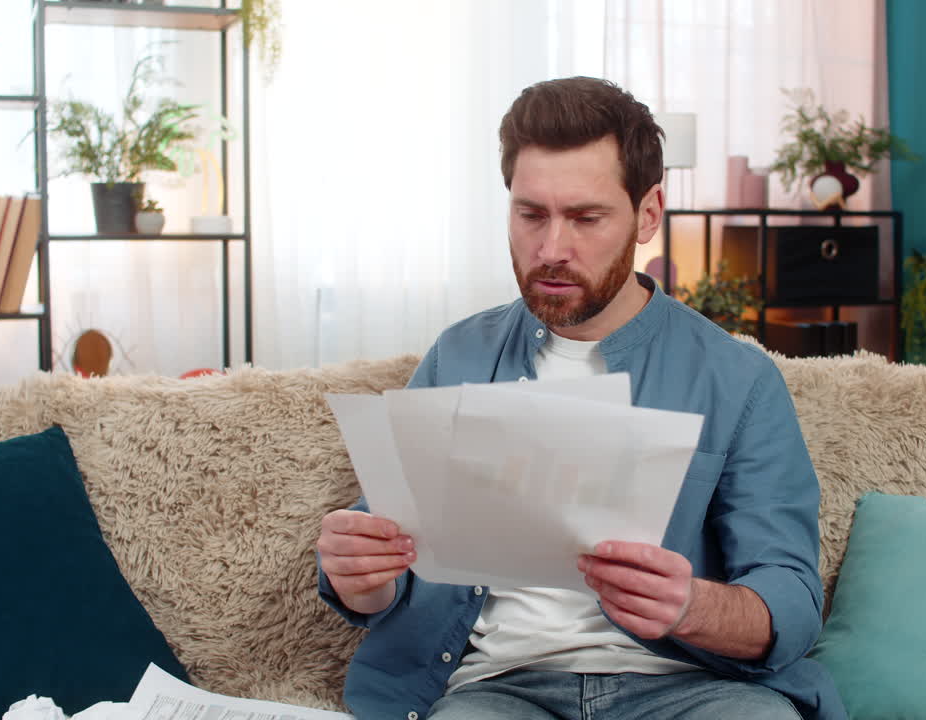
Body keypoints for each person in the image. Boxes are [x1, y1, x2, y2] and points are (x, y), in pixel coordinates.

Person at [317, 76, 844, 720]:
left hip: (690, 688)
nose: (551, 250)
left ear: (648, 213)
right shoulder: (458, 355)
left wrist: (691, 606)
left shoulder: (738, 378)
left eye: (586, 218)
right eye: (530, 214)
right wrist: (360, 576)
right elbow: (385, 567)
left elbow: (790, 600)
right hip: (499, 688)